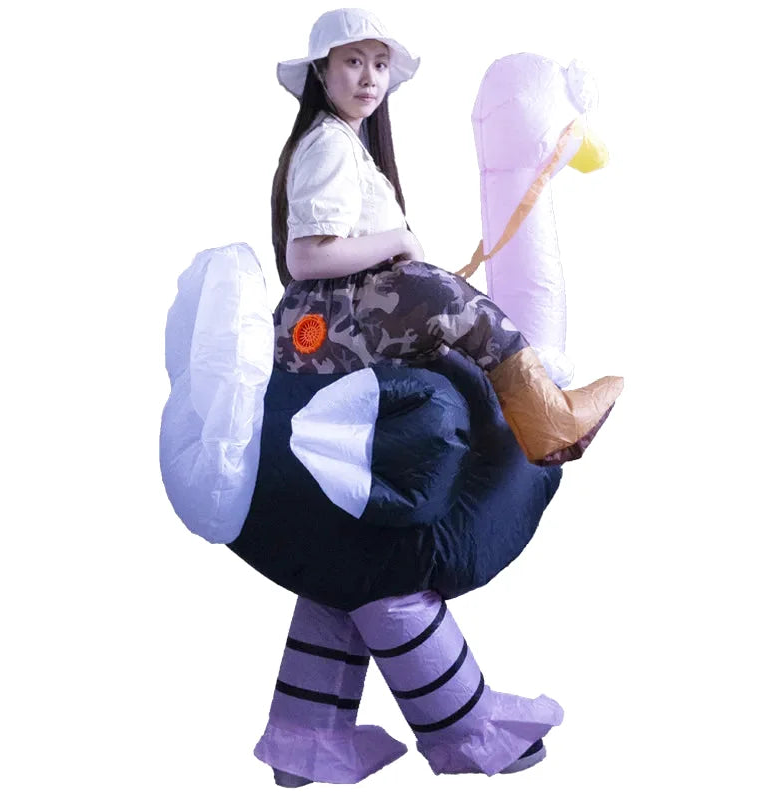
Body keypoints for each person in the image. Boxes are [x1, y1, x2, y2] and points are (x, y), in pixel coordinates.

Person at [251, 7, 621, 787]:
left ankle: (305, 730)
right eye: (352, 62)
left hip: (334, 327)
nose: (369, 78)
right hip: (327, 325)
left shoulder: (348, 146)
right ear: (321, 72)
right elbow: (305, 255)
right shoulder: (327, 145)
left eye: (379, 64)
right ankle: (463, 727)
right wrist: (399, 246)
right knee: (442, 295)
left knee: (350, 574)